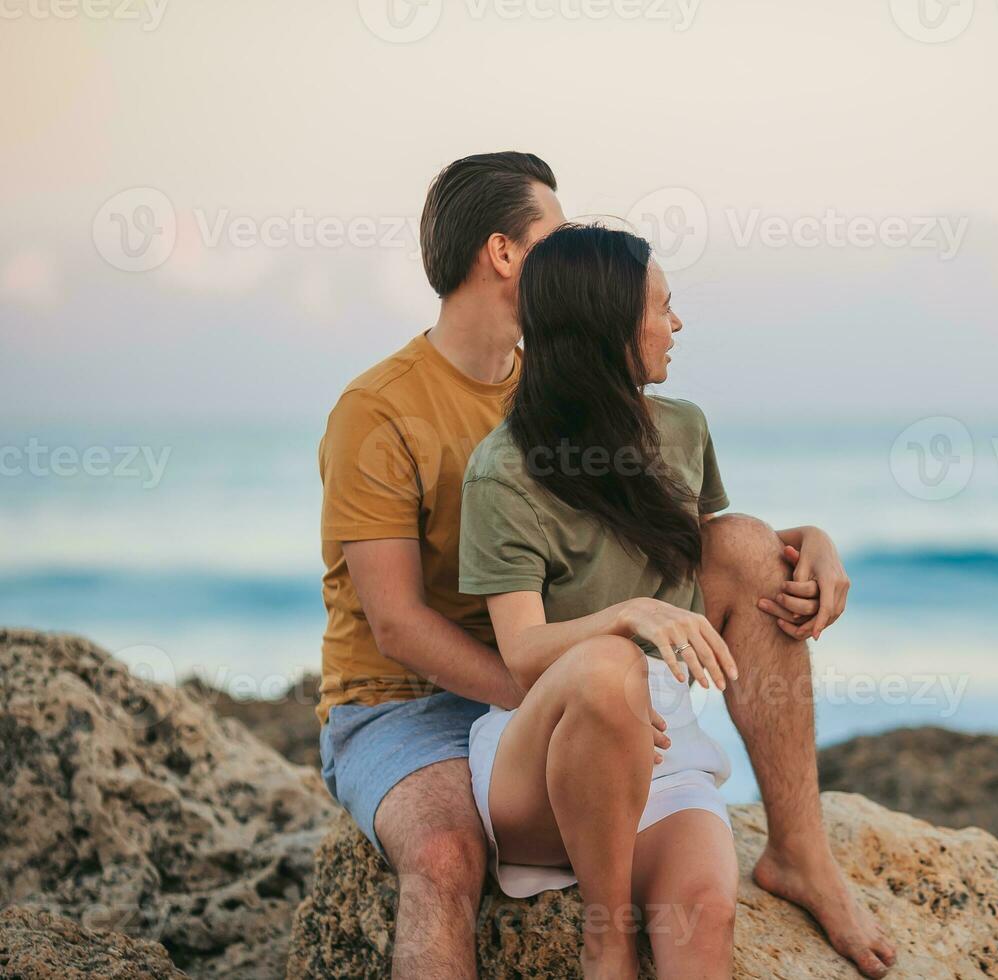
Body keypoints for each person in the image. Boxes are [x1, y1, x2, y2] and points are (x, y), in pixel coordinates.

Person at [315, 152, 896, 979]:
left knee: (749, 554)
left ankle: (802, 854)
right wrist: (586, 696)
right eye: (558, 232)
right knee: (445, 858)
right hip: (405, 698)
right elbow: (399, 625)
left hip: (567, 669)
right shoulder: (379, 412)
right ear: (507, 254)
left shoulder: (570, 386)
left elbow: (677, 535)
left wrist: (800, 543)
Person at [459, 223, 743, 978]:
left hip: (664, 751)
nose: (675, 324)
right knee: (609, 665)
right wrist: (624, 617)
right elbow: (521, 656)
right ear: (607, 324)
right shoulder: (504, 471)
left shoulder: (683, 429)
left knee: (706, 915)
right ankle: (604, 938)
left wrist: (806, 542)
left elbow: (713, 551)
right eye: (661, 307)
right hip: (549, 754)